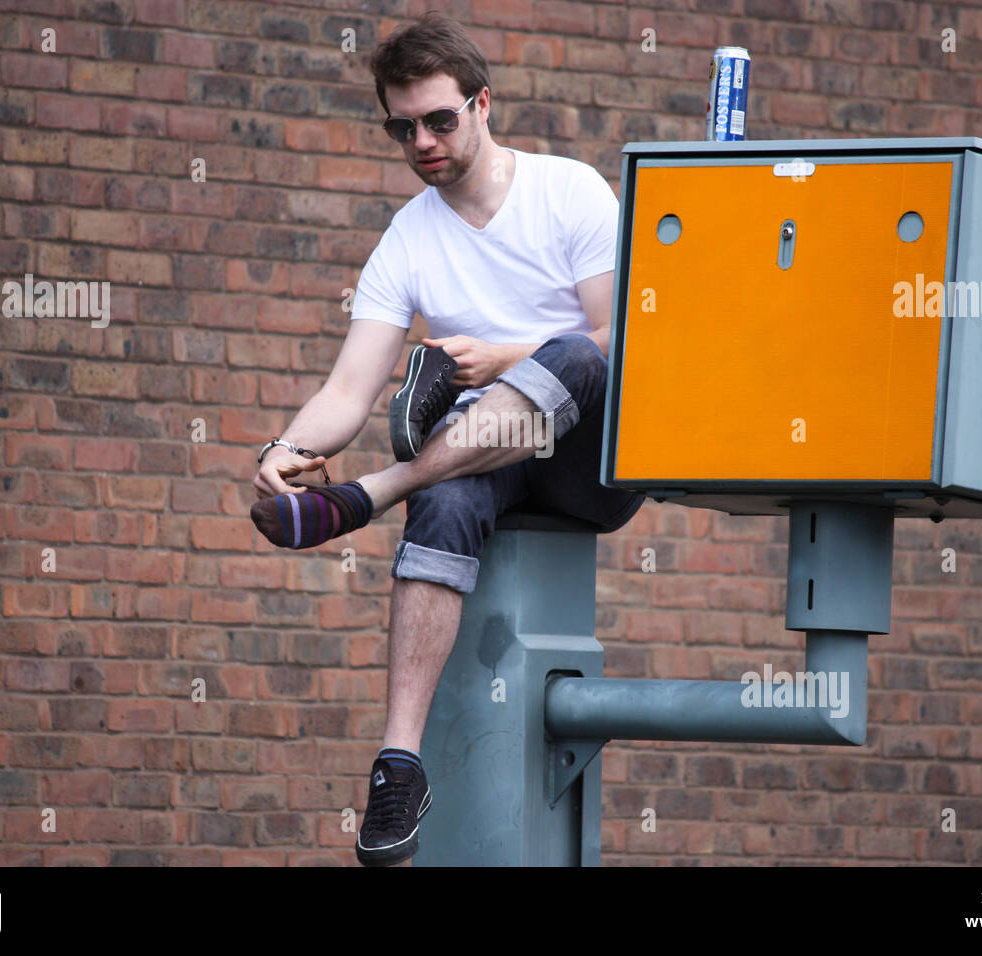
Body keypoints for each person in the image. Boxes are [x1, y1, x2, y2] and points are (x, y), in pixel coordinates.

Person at [250, 11, 643, 866]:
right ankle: (399, 765)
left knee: (574, 354)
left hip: (589, 458)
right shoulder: (407, 238)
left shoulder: (568, 191)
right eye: (403, 127)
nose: (422, 141)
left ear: (482, 105)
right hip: (485, 455)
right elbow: (351, 388)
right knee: (447, 495)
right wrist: (280, 450)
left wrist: (507, 354)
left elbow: (631, 342)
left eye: (440, 119)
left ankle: (377, 492)